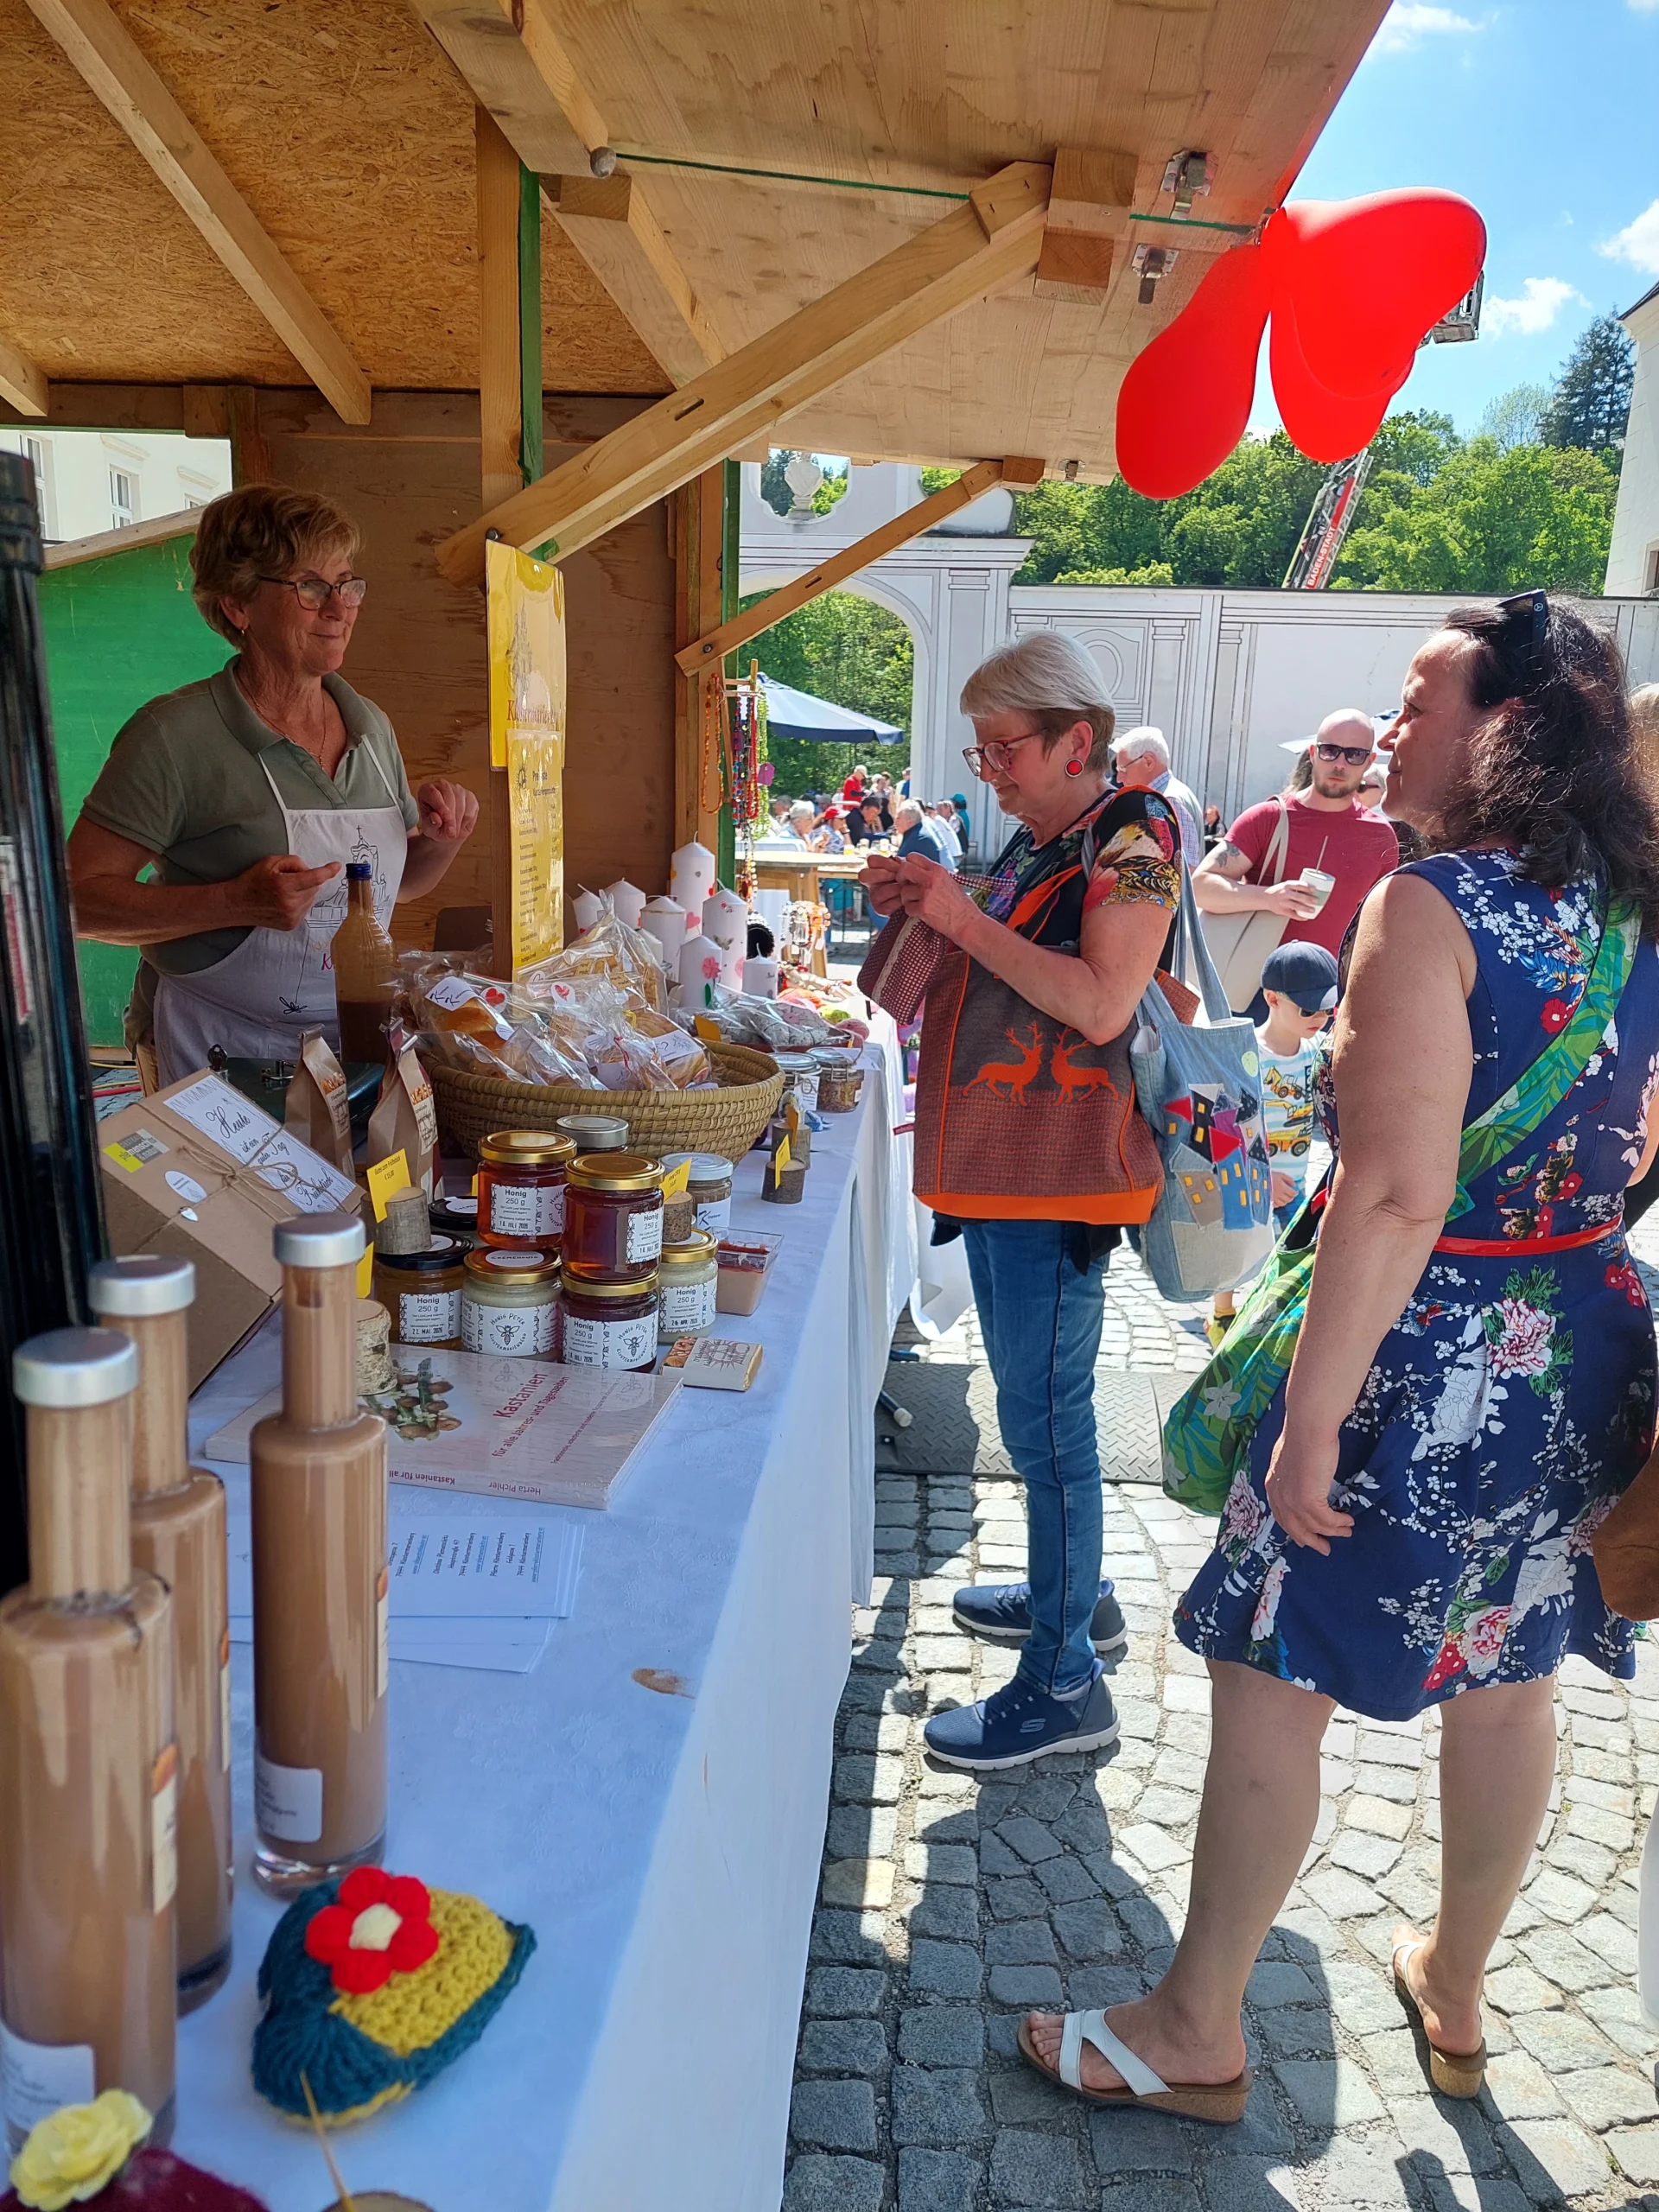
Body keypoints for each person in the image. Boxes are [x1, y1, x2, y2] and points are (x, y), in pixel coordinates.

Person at [1020, 594, 1659, 2118]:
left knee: (1268, 1668)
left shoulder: (1433, 903)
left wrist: (1312, 1423)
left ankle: (1197, 2029)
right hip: (1585, 1336)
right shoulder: (1638, 908)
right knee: (1509, 1684)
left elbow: (1390, 1198)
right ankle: (1456, 1986)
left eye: (1422, 702)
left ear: (1509, 727)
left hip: (1425, 1347)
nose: (1390, 734)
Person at [862, 631, 1183, 1769]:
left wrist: (958, 916)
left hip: (1060, 1178)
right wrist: (920, 905)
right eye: (981, 750)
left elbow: (1101, 1004)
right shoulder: (1047, 838)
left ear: (1074, 742)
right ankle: (1074, 1594)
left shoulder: (1136, 837)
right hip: (1014, 1170)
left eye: (1005, 748)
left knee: (1049, 1422)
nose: (988, 769)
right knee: (1034, 1405)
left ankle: (1064, 1683)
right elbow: (976, 965)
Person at [67, 484, 478, 1086]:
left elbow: (397, 885)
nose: (339, 609)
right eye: (311, 587)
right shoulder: (173, 736)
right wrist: (234, 902)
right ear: (238, 605)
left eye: (347, 584)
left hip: (348, 1047)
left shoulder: (371, 727)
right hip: (215, 1051)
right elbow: (74, 902)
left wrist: (443, 840)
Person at [1192, 708, 1399, 976]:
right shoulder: (1268, 818)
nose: (1340, 764)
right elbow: (1201, 886)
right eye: (1330, 751)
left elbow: (1379, 924)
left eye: (1354, 754)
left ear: (1369, 761)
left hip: (1329, 990)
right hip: (1253, 983)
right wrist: (1268, 898)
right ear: (1313, 753)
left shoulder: (1380, 836)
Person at [1208, 941, 1338, 1343]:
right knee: (1235, 1249)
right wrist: (1259, 1177)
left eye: (1327, 1010)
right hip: (1247, 1180)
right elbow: (1223, 1127)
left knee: (1289, 1255)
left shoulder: (1316, 1051)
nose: (1319, 1019)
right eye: (1308, 1010)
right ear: (1272, 999)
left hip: (1294, 1180)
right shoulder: (1245, 1054)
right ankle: (1222, 1315)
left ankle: (1267, 1322)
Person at [1112, 726, 1204, 868]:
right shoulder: (1173, 794)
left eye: (1123, 768)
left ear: (1148, 762)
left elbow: (1186, 869)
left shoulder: (1168, 800)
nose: (1119, 778)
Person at [892, 797, 957, 873]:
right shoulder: (918, 830)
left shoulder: (917, 837)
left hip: (943, 872)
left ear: (910, 821)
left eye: (898, 819)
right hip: (942, 869)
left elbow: (896, 866)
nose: (895, 823)